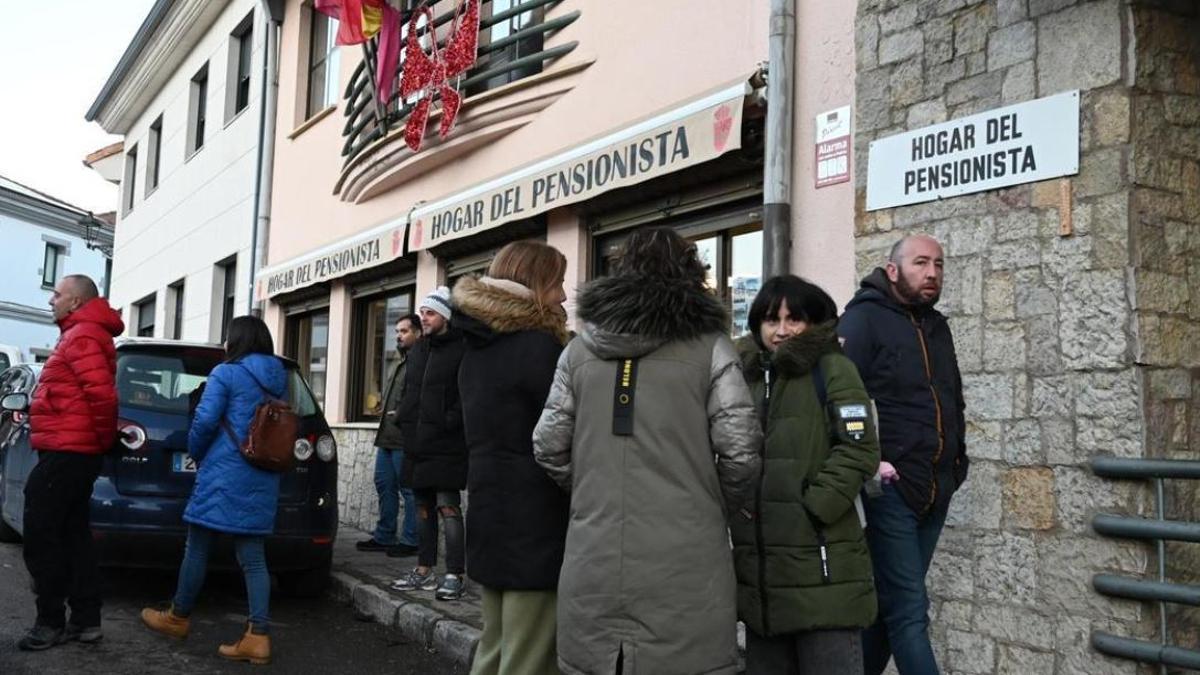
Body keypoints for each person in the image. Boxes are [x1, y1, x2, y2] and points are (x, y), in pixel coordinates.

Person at [533, 227, 762, 675]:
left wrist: (592, 492)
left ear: (620, 272)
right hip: (687, 558)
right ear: (693, 275)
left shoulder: (578, 351)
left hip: (593, 551)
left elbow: (547, 446)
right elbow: (740, 452)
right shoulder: (711, 348)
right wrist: (711, 502)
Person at [732, 275, 880, 674]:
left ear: (814, 323)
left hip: (822, 566)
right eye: (770, 320)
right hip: (762, 579)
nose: (781, 331)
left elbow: (860, 447)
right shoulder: (742, 376)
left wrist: (815, 507)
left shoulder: (833, 369)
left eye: (793, 319)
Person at [838, 234, 968, 675]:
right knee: (911, 611)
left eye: (938, 264)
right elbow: (839, 401)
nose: (932, 273)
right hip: (889, 491)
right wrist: (868, 462)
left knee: (888, 606)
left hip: (936, 488)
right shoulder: (861, 322)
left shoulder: (938, 326)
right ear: (892, 270)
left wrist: (957, 464)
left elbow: (952, 398)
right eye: (920, 263)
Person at [141, 315, 289, 666]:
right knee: (253, 558)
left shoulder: (226, 373)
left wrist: (195, 451)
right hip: (263, 474)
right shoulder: (280, 378)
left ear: (235, 340)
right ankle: (258, 636)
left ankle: (178, 617)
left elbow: (205, 420)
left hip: (224, 472)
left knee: (197, 546)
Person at [454, 241, 572, 675]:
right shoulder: (539, 351)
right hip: (536, 525)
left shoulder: (476, 350)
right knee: (529, 659)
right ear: (535, 285)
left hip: (490, 515)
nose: (563, 295)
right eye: (557, 282)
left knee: (495, 648)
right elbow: (563, 439)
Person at [19, 275, 123, 651]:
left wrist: (100, 442)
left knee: (41, 533)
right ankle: (85, 620)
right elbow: (80, 394)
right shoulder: (82, 333)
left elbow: (102, 397)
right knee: (74, 535)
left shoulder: (82, 336)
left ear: (75, 302)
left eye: (58, 294)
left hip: (69, 451)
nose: (51, 299)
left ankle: (50, 622)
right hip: (73, 449)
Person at [390, 287, 468, 601]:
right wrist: (404, 419)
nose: (424, 317)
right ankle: (423, 570)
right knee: (422, 508)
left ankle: (455, 574)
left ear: (446, 316)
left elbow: (466, 396)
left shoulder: (463, 348)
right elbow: (410, 390)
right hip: (417, 442)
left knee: (448, 507)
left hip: (447, 443)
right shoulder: (419, 349)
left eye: (430, 312)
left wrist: (448, 422)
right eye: (422, 312)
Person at [358, 313, 423, 557]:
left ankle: (411, 540)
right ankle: (385, 535)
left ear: (417, 333)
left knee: (408, 491)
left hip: (404, 438)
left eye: (404, 331)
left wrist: (400, 415)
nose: (399, 335)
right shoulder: (399, 361)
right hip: (386, 436)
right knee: (384, 486)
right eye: (397, 331)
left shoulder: (421, 360)